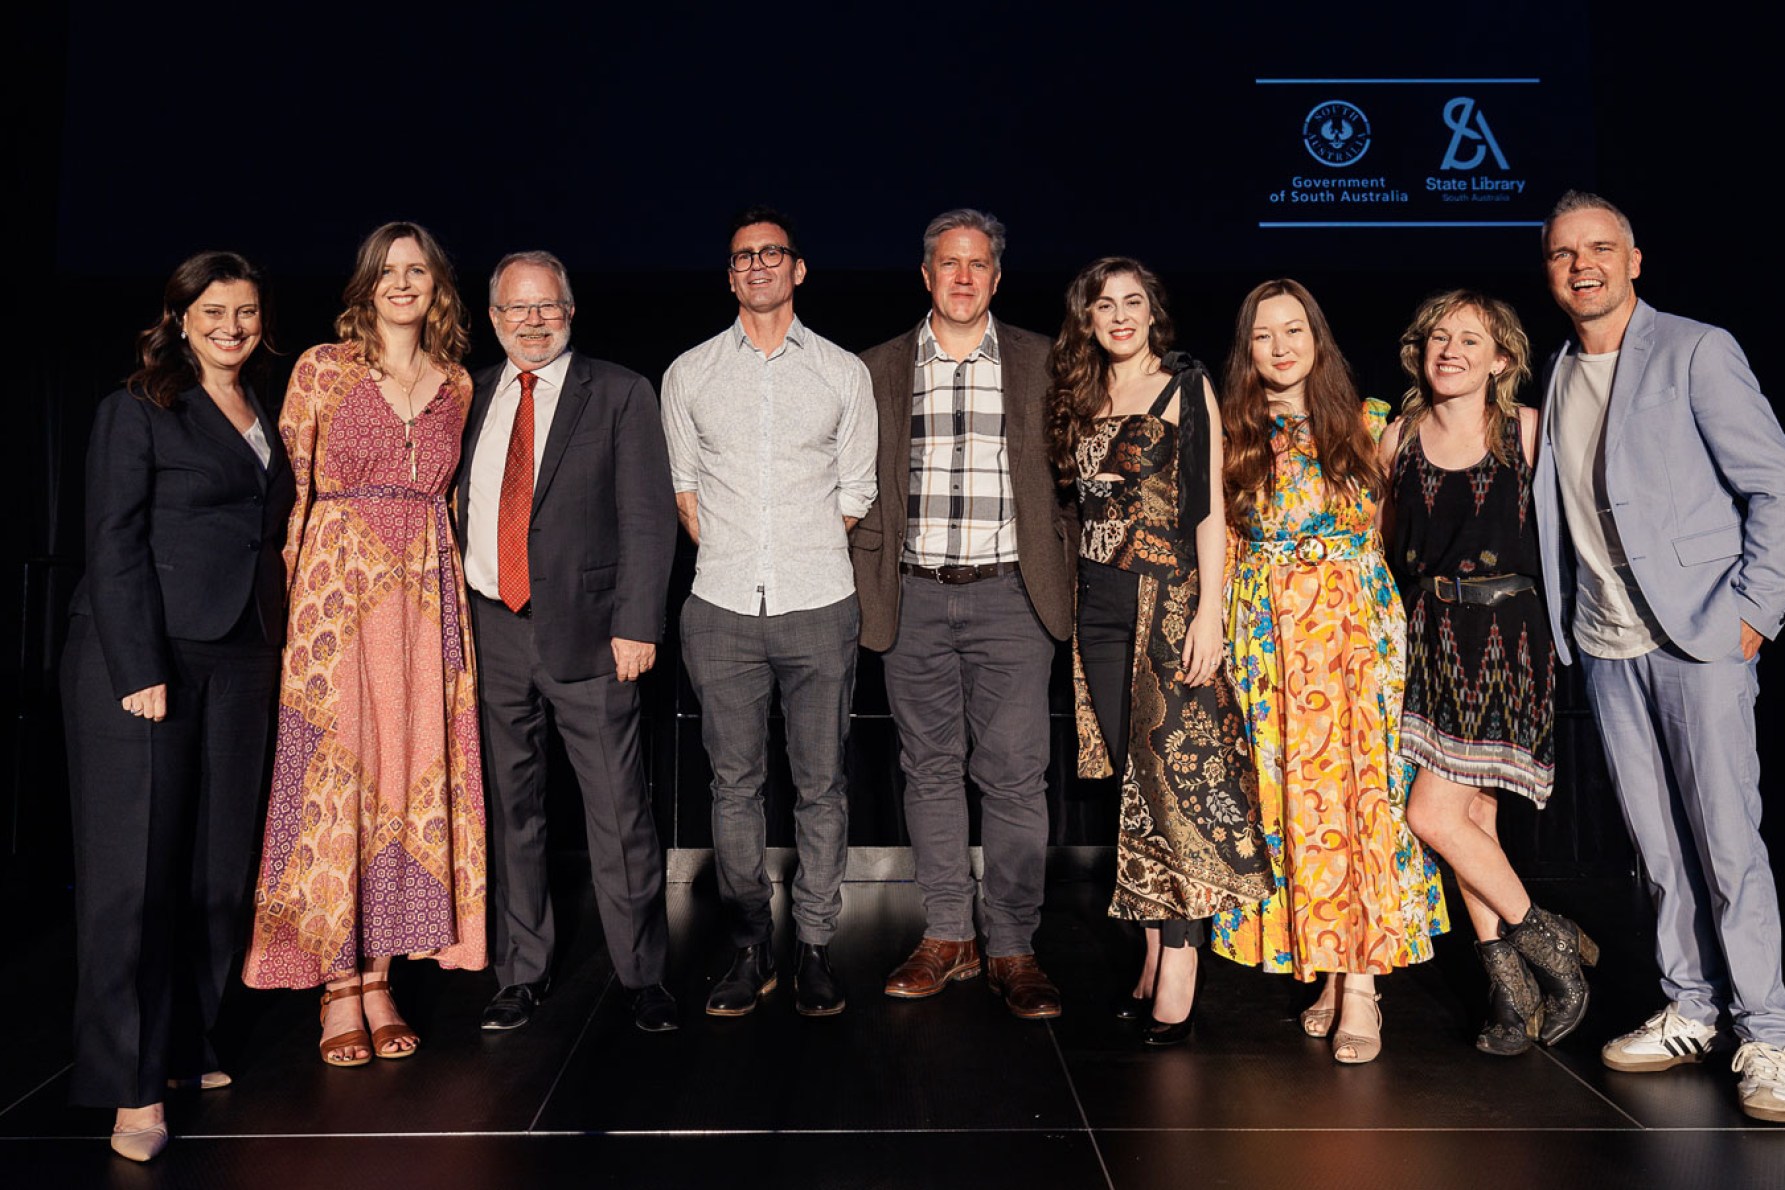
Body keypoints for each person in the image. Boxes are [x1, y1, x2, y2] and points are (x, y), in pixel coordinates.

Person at [1532, 191, 1785, 1121]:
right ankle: (1690, 1005)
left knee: (1726, 843)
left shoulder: (1695, 349)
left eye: (1599, 249)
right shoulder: (1556, 372)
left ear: (1634, 260)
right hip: (1606, 647)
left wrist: (1754, 612)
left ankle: (1769, 1032)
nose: (1582, 265)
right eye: (1563, 254)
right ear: (1549, 270)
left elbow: (1774, 481)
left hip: (1699, 637)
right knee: (1654, 846)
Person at [61, 251, 293, 1161]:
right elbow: (111, 542)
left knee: (216, 868)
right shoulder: (137, 408)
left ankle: (186, 1044)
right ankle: (128, 1084)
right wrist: (138, 666)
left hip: (241, 655)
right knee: (135, 879)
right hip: (144, 657)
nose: (231, 325)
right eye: (214, 310)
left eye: (245, 310)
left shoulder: (261, 410)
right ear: (180, 316)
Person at [244, 222, 487, 1065]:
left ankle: (379, 977)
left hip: (425, 602)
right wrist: (286, 618)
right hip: (335, 597)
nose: (402, 282)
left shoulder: (457, 382)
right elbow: (289, 494)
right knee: (332, 785)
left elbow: (452, 507)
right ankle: (335, 989)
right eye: (387, 271)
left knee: (405, 781)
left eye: (417, 270)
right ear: (365, 284)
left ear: (437, 286)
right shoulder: (322, 367)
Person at [1209, 278, 1448, 1064]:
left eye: (1294, 331)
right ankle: (1326, 965)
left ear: (1318, 340)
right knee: (1294, 808)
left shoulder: (1373, 422)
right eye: (1262, 336)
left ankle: (1362, 989)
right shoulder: (1230, 429)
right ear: (1246, 350)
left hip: (1353, 635)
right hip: (1268, 641)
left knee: (1361, 802)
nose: (1280, 348)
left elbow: (1388, 537)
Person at [852, 209, 1076, 1020]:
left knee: (1015, 776)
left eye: (976, 264)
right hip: (909, 594)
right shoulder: (874, 368)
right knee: (928, 769)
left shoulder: (1044, 363)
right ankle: (950, 934)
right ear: (924, 274)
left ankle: (1013, 943)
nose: (961, 277)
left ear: (996, 276)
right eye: (947, 263)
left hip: (1011, 595)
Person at [1046, 258, 1270, 1046]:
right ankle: (1148, 953)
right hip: (1097, 612)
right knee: (1132, 783)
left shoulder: (1184, 386)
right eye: (1103, 304)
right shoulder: (1080, 397)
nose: (1118, 316)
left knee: (1170, 780)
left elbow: (1208, 510)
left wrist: (1211, 612)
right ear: (1088, 318)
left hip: (1166, 603)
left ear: (1153, 313)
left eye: (1132, 303)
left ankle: (1179, 962)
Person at [661, 207, 876, 1018]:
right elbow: (685, 492)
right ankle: (750, 944)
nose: (756, 266)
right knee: (732, 783)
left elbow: (855, 491)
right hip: (718, 607)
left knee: (821, 786)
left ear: (797, 269)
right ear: (729, 275)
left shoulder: (840, 372)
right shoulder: (689, 373)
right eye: (742, 256)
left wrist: (793, 549)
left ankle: (815, 945)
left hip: (819, 602)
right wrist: (743, 555)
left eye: (770, 254)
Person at [464, 251, 679, 1035]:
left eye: (546, 307)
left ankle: (643, 976)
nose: (531, 321)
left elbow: (650, 518)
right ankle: (519, 973)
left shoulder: (620, 392)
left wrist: (637, 624)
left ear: (570, 310)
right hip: (489, 630)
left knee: (619, 812)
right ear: (493, 318)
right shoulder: (470, 394)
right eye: (516, 309)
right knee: (511, 811)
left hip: (594, 637)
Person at [1384, 290, 1584, 1057]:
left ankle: (1549, 942)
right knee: (1471, 825)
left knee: (1431, 818)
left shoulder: (1527, 432)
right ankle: (1509, 990)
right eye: (1439, 335)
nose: (1451, 350)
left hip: (1507, 636)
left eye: (1470, 339)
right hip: (1431, 634)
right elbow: (1381, 545)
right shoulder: (1396, 437)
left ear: (1500, 359)